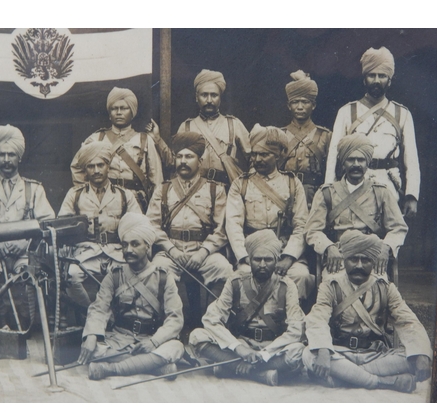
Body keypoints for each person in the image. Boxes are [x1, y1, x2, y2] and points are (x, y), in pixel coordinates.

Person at [302, 229, 432, 393]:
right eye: (353, 259)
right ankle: (384, 382)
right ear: (344, 260)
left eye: (365, 260)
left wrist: (421, 353)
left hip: (375, 355)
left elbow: (407, 321)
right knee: (309, 354)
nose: (359, 265)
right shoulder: (330, 286)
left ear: (373, 262)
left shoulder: (385, 288)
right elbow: (318, 318)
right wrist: (323, 349)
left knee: (416, 357)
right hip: (341, 352)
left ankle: (345, 377)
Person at [189, 229, 305, 386]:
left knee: (298, 351)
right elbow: (211, 318)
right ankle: (260, 374)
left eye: (268, 260)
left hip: (272, 347)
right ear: (249, 260)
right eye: (257, 259)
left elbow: (296, 329)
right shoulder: (235, 282)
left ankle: (231, 367)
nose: (262, 265)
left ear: (276, 260)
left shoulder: (287, 285)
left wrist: (264, 353)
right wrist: (238, 348)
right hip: (242, 344)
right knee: (197, 336)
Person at [78, 213, 184, 380]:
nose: (128, 250)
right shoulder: (114, 275)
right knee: (93, 348)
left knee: (176, 347)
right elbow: (99, 308)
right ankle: (155, 367)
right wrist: (91, 336)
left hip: (151, 339)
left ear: (148, 247)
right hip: (120, 339)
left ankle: (110, 370)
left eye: (135, 244)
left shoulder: (164, 277)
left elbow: (175, 319)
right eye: (125, 245)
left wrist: (154, 342)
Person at [0, 125, 55, 329]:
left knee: (28, 279)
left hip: (25, 253)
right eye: (2, 154)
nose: (7, 160)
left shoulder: (34, 189)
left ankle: (22, 324)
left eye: (11, 154)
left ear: (19, 158)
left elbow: (47, 223)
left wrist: (25, 242)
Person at [147, 132, 232, 327]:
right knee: (156, 271)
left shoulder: (215, 189)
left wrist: (203, 253)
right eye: (179, 156)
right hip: (171, 251)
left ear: (200, 160)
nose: (183, 161)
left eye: (189, 157)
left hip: (203, 252)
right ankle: (169, 325)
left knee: (224, 269)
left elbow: (222, 228)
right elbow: (152, 225)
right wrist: (171, 250)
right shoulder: (163, 189)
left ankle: (213, 324)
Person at [325, 47, 420, 218]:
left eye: (382, 76)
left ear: (389, 81)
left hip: (389, 186)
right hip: (352, 187)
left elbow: (411, 159)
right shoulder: (347, 112)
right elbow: (334, 155)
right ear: (364, 79)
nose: (377, 80)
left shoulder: (402, 114)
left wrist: (411, 195)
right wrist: (329, 190)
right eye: (372, 75)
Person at [226, 124, 314, 303]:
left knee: (301, 276)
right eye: (254, 154)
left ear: (278, 155)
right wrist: (244, 258)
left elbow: (301, 224)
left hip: (283, 251)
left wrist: (289, 257)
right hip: (252, 253)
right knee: (242, 275)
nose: (258, 159)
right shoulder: (240, 184)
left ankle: (290, 321)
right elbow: (233, 225)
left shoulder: (292, 183)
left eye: (264, 154)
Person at [305, 133, 408, 276]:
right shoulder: (327, 193)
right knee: (332, 284)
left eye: (361, 160)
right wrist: (328, 247)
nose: (356, 165)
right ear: (343, 162)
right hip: (338, 257)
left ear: (368, 163)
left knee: (379, 286)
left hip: (371, 258)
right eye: (350, 160)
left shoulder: (381, 192)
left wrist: (386, 247)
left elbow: (398, 228)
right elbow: (312, 230)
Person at [58, 141, 142, 310]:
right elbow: (62, 226)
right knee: (71, 275)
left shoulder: (125, 195)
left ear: (108, 166)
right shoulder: (75, 195)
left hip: (117, 253)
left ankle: (115, 318)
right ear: (85, 170)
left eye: (100, 165)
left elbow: (138, 226)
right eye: (91, 166)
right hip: (86, 253)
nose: (96, 171)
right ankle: (89, 312)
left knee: (129, 279)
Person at [70, 87, 163, 212]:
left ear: (132, 112)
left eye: (124, 108)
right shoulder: (96, 138)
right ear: (109, 114)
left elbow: (156, 178)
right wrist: (88, 194)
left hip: (136, 201)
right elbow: (77, 166)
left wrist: (154, 208)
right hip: (105, 199)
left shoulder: (145, 140)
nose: (118, 112)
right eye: (114, 108)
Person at [175, 69, 251, 187]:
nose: (209, 100)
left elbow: (253, 158)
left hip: (227, 191)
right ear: (196, 97)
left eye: (214, 95)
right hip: (196, 192)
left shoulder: (234, 124)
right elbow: (177, 163)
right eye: (204, 95)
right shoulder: (186, 127)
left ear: (220, 98)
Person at [280, 70, 332, 209]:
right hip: (283, 194)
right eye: (295, 102)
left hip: (314, 196)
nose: (300, 107)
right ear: (288, 106)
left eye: (305, 102)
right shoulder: (279, 134)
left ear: (313, 105)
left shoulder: (325, 136)